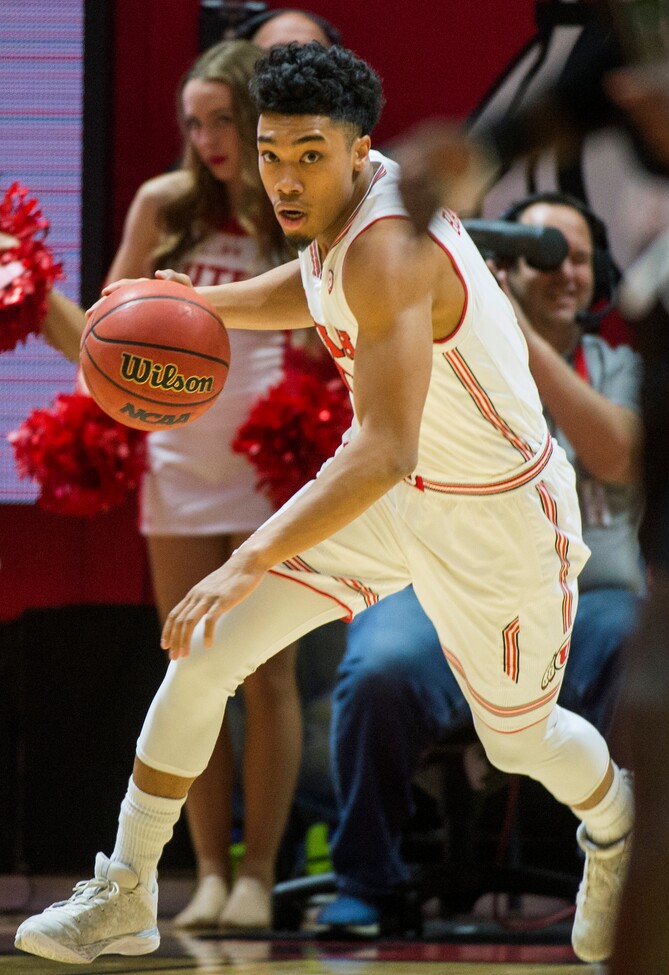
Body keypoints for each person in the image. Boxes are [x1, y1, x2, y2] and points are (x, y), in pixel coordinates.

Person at [15, 42, 633, 966]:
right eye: (270, 153)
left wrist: (244, 555)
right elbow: (312, 292)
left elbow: (382, 451)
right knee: (208, 646)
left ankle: (616, 830)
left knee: (520, 741)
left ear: (359, 149)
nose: (285, 177)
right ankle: (128, 889)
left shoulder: (389, 243)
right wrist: (209, 307)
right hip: (400, 492)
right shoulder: (347, 214)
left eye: (309, 154)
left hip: (494, 514)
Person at [392, 7, 669, 973]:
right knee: (666, 692)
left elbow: (610, 452)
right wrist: (454, 166)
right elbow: (516, 132)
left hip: (587, 575)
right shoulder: (637, 28)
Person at [315, 191, 644, 936]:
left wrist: (520, 332)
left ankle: (623, 864)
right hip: (442, 580)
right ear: (496, 263)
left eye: (579, 257)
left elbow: (616, 453)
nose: (565, 272)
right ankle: (366, 880)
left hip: (590, 597)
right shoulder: (437, 344)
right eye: (543, 255)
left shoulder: (617, 364)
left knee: (641, 647)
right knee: (380, 667)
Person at [37, 38, 304, 932]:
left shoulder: (288, 207)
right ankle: (208, 876)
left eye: (223, 119)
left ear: (252, 114)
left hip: (273, 461)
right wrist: (35, 298)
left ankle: (262, 872)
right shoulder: (164, 205)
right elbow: (103, 341)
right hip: (180, 467)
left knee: (265, 674)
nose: (209, 138)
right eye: (194, 123)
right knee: (192, 668)